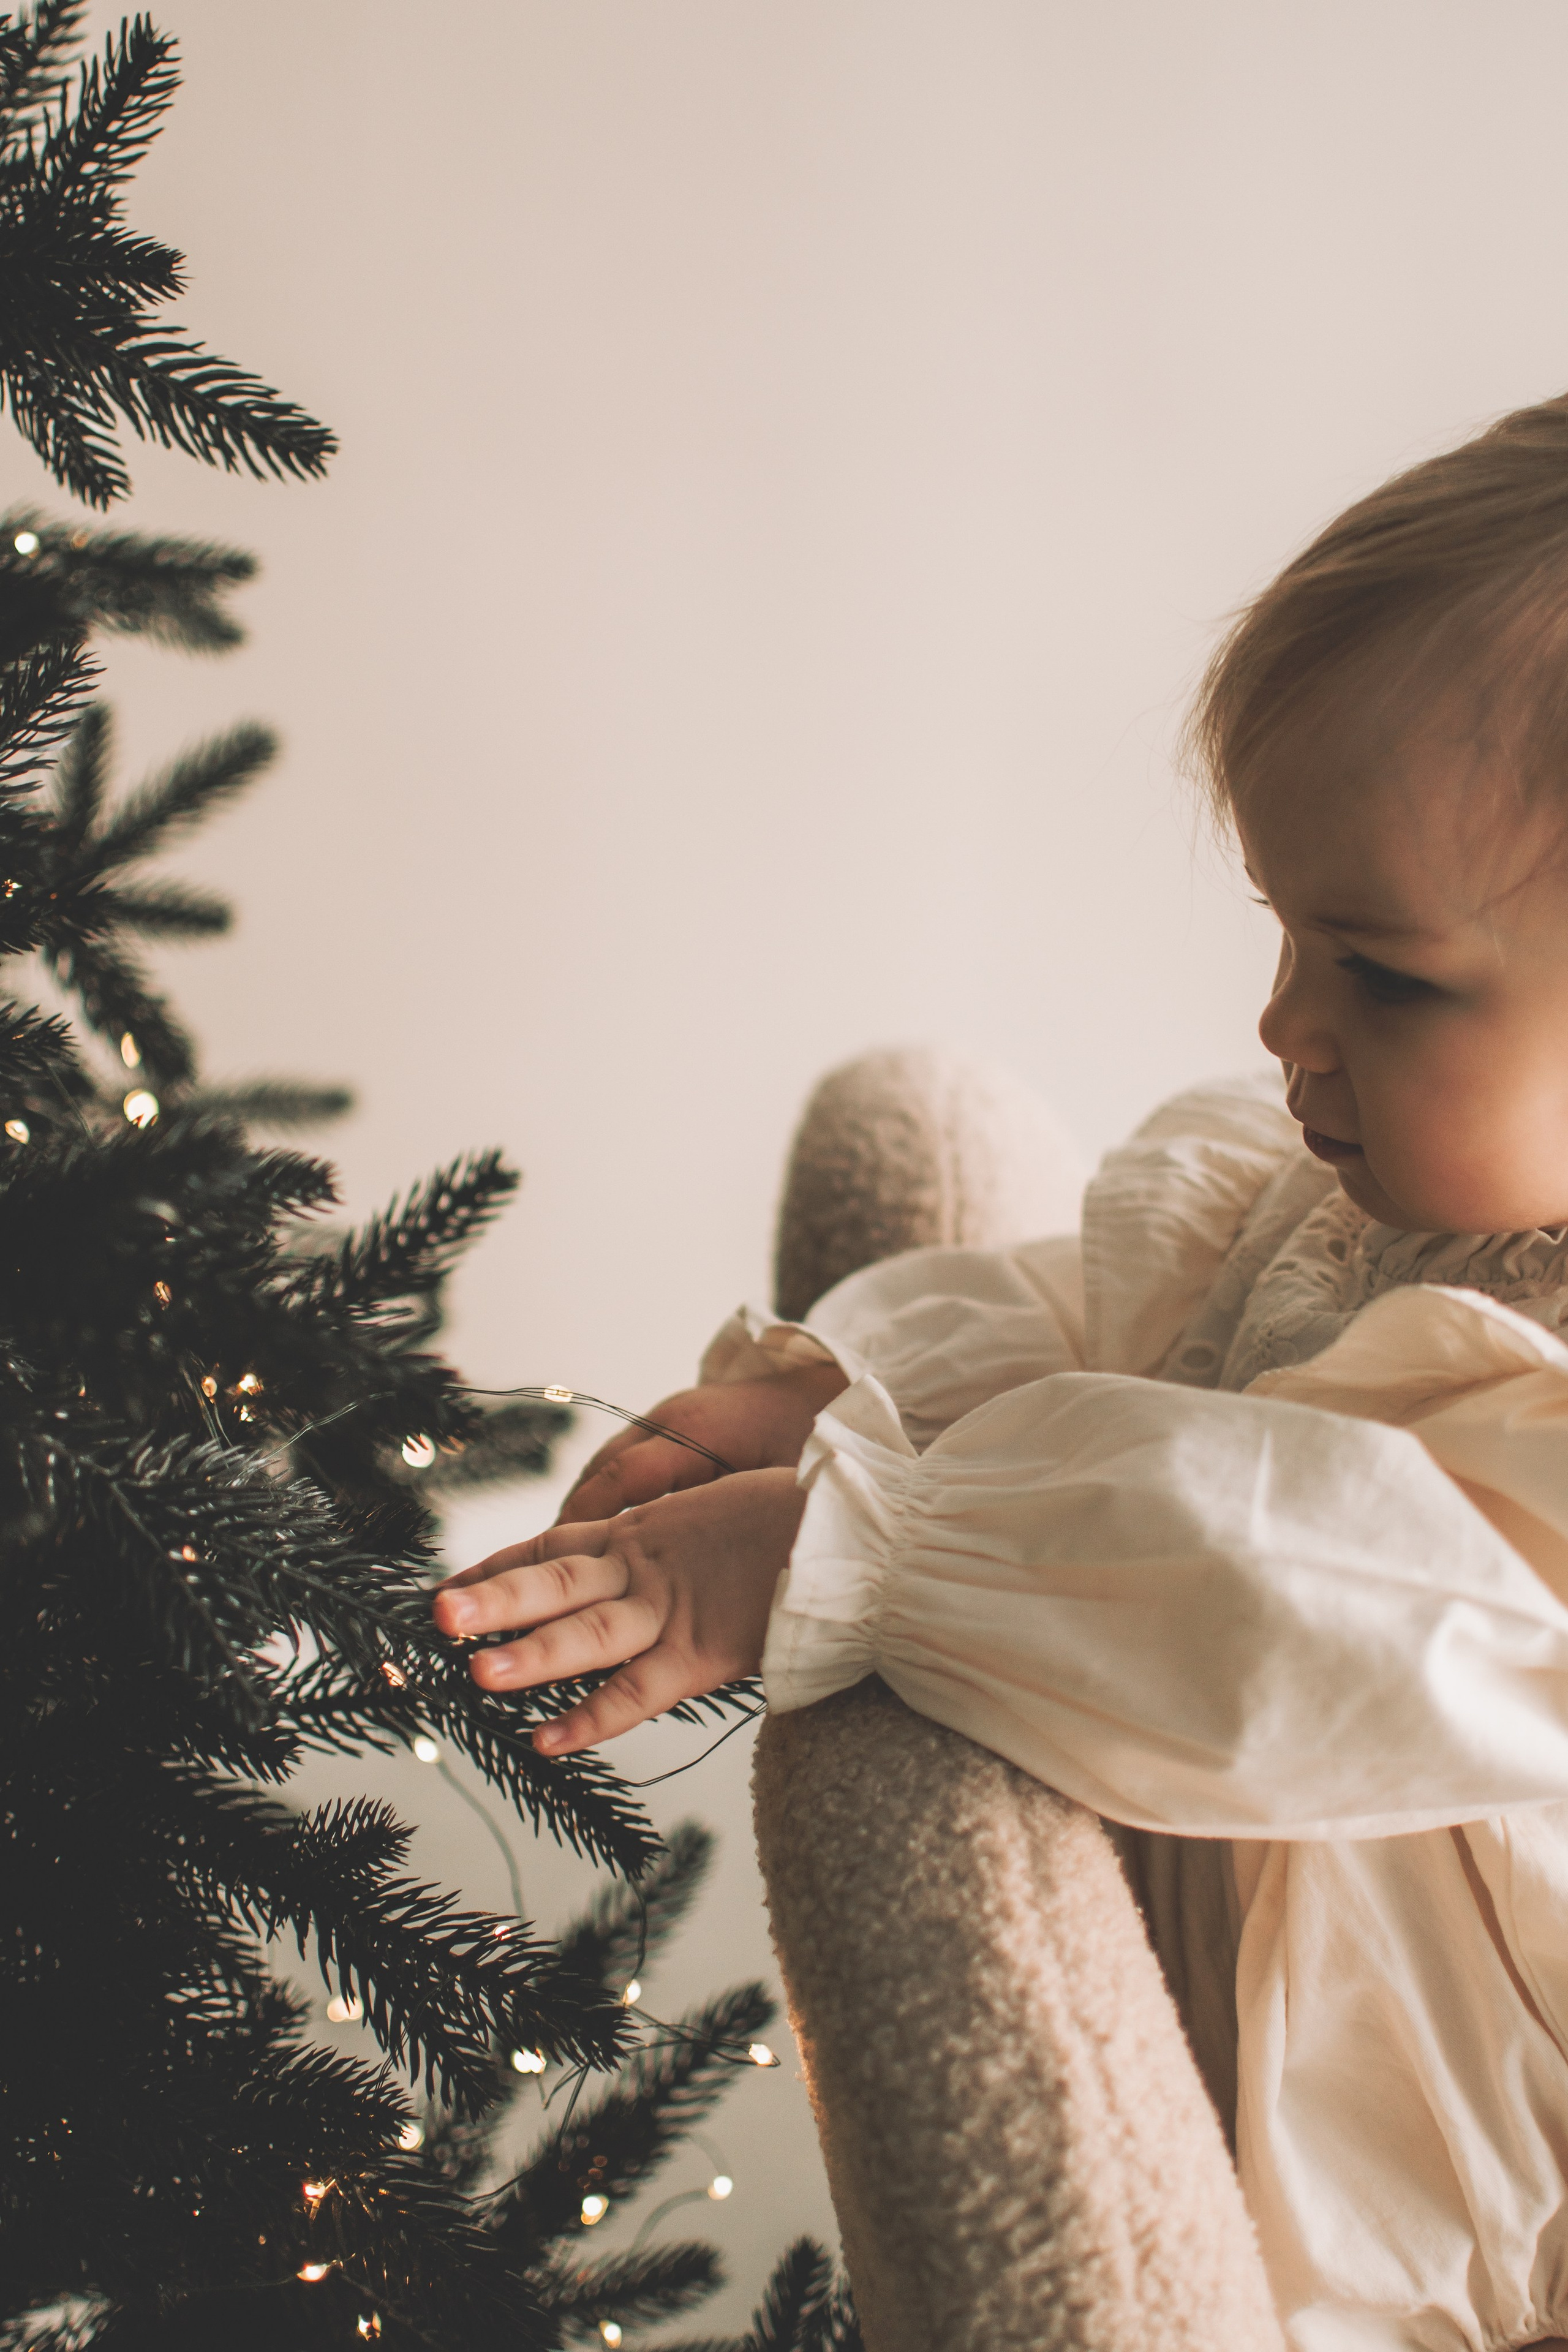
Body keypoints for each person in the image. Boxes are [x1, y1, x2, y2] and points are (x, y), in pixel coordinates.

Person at [433, 393, 1568, 2351]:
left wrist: (850, 1550)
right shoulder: (1360, 1202)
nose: (1286, 1017)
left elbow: (1299, 1596)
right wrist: (845, 1393)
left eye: (1379, 970)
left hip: (1465, 2242)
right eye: (1287, 934)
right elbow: (1115, 1312)